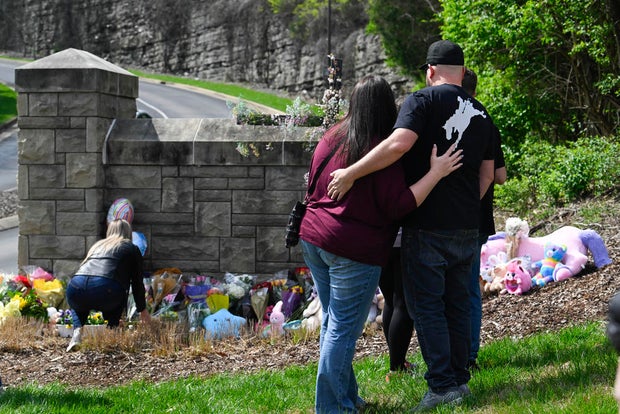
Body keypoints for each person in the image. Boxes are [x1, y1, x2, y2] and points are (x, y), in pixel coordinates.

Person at [326, 40, 496, 411]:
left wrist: (352, 173)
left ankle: (441, 387)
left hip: (427, 226)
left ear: (430, 70)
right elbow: (488, 174)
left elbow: (399, 144)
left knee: (428, 308)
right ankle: (459, 381)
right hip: (467, 228)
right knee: (457, 304)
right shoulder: (482, 113)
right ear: (463, 72)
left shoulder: (422, 101)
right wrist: (467, 206)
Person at [299, 75, 463, 414]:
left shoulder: (331, 137)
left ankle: (346, 398)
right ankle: (332, 408)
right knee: (342, 330)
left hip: (313, 237)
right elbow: (400, 205)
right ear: (388, 108)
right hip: (352, 248)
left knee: (333, 322)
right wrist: (437, 172)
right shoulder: (380, 149)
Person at [462, 68, 507, 372]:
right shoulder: (486, 120)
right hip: (477, 218)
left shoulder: (444, 118)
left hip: (446, 215)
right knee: (468, 287)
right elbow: (500, 176)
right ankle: (470, 355)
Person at [65, 218, 151, 352]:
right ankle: (112, 330)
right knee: (120, 288)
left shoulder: (98, 246)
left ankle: (77, 332)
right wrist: (143, 310)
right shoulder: (131, 248)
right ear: (129, 232)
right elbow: (136, 283)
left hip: (75, 287)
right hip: (105, 289)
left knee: (79, 304)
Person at [380, 231, 416, 382]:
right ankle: (397, 368)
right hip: (402, 239)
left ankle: (398, 362)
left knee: (390, 301)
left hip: (378, 239)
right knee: (402, 303)